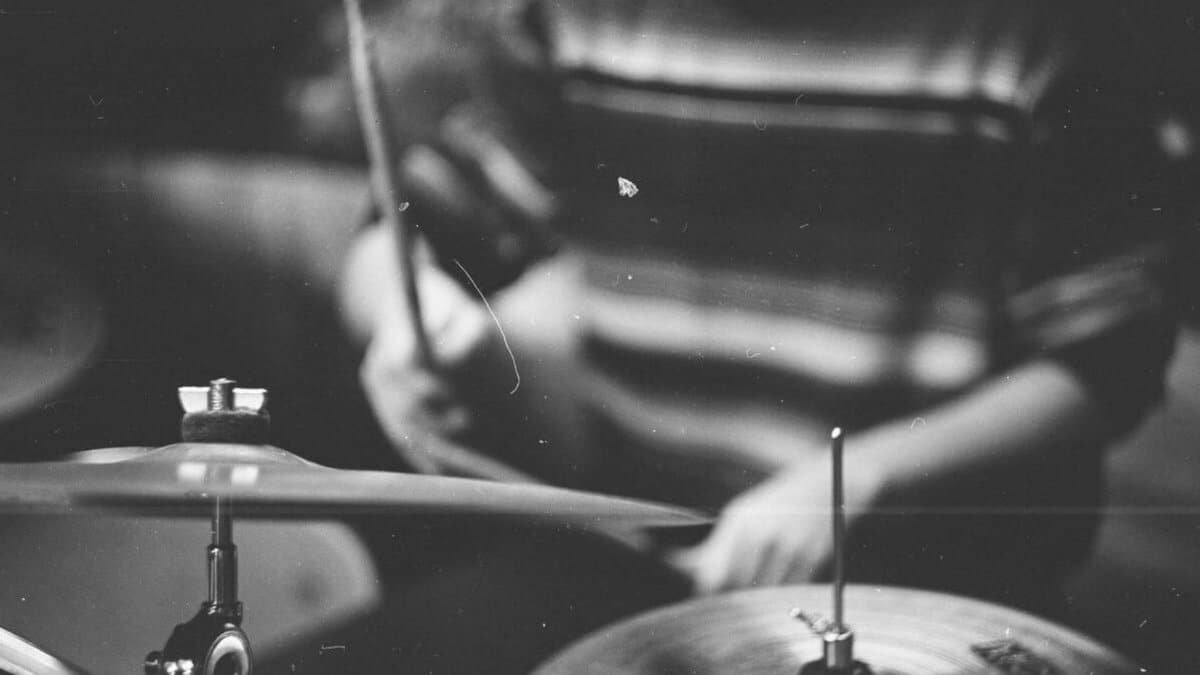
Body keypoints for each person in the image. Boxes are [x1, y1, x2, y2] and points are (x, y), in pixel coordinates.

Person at [330, 0, 1181, 612]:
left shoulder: (1045, 31)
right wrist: (404, 321)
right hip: (643, 550)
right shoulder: (570, 18)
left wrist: (860, 480)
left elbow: (1109, 358)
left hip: (930, 588)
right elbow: (407, 229)